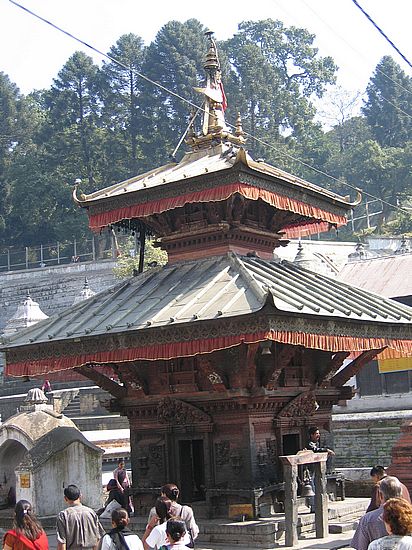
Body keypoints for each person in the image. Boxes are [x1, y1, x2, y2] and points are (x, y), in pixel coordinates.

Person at [352, 476, 406, 550]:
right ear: (401, 494)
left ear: (380, 495)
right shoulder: (408, 516)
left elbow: (361, 547)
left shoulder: (367, 519)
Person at [56, 484, 105, 550]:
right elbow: (98, 538)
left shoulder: (63, 515)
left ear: (65, 498)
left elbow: (62, 542)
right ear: (80, 496)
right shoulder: (91, 512)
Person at [305, 426, 335, 512]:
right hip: (310, 470)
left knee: (319, 487)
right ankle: (313, 507)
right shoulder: (309, 444)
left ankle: (320, 506)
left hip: (317, 469)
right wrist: (326, 450)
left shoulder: (317, 443)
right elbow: (315, 450)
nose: (318, 435)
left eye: (318, 433)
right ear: (311, 435)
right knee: (312, 488)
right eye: (316, 434)